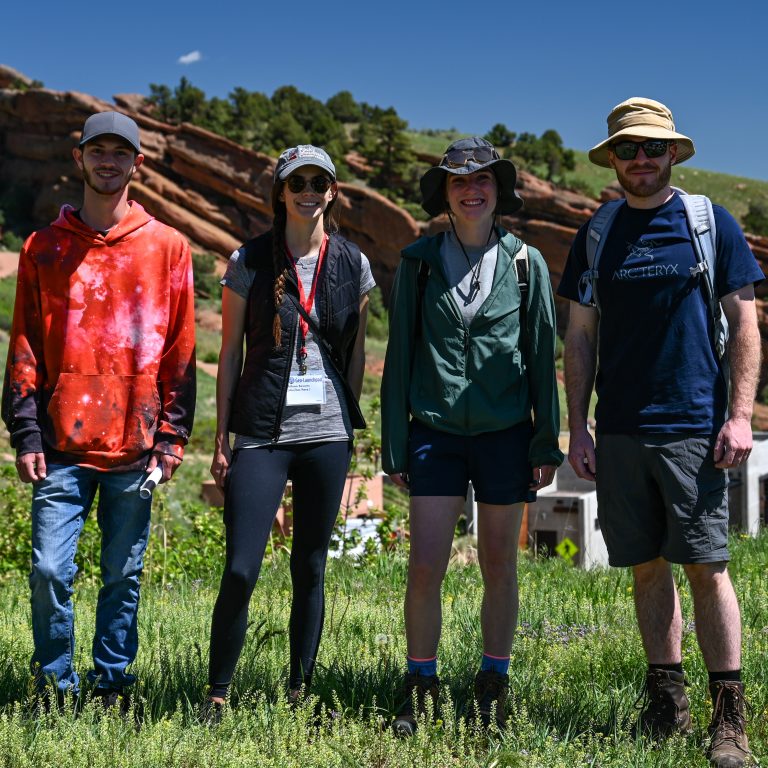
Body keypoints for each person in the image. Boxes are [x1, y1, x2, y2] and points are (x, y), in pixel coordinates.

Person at [558, 98, 762, 767]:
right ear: (611, 159)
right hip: (619, 431)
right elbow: (580, 336)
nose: (640, 160)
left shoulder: (709, 223)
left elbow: (746, 324)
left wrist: (738, 416)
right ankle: (666, 704)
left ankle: (729, 718)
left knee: (708, 568)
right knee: (646, 569)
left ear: (673, 152)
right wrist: (578, 427)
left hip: (695, 428)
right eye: (627, 149)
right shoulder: (599, 231)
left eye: (652, 148)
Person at [1, 111, 196, 712]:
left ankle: (112, 686)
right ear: (79, 158)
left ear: (137, 164)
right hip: (61, 447)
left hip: (135, 449)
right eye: (98, 151)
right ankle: (54, 686)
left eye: (121, 153)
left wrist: (171, 438)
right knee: (50, 571)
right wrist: (26, 432)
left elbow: (180, 352)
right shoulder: (43, 248)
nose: (108, 162)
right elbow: (26, 345)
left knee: (122, 576)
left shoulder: (168, 248)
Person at [381, 137, 563, 734]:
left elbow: (542, 358)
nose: (472, 189)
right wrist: (394, 442)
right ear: (446, 194)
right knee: (425, 564)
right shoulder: (419, 261)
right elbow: (400, 353)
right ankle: (420, 682)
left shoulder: (524, 262)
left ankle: (493, 681)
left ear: (498, 189)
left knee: (498, 565)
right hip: (432, 432)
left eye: (482, 178)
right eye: (459, 181)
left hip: (506, 435)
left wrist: (545, 441)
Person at [205, 145, 374, 716]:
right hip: (261, 431)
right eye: (295, 181)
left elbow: (353, 354)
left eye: (318, 181)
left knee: (310, 565)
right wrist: (220, 439)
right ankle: (218, 692)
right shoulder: (248, 260)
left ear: (332, 191)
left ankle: (300, 687)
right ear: (280, 191)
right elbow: (229, 354)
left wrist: (350, 428)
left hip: (327, 435)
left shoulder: (354, 264)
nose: (307, 190)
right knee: (241, 566)